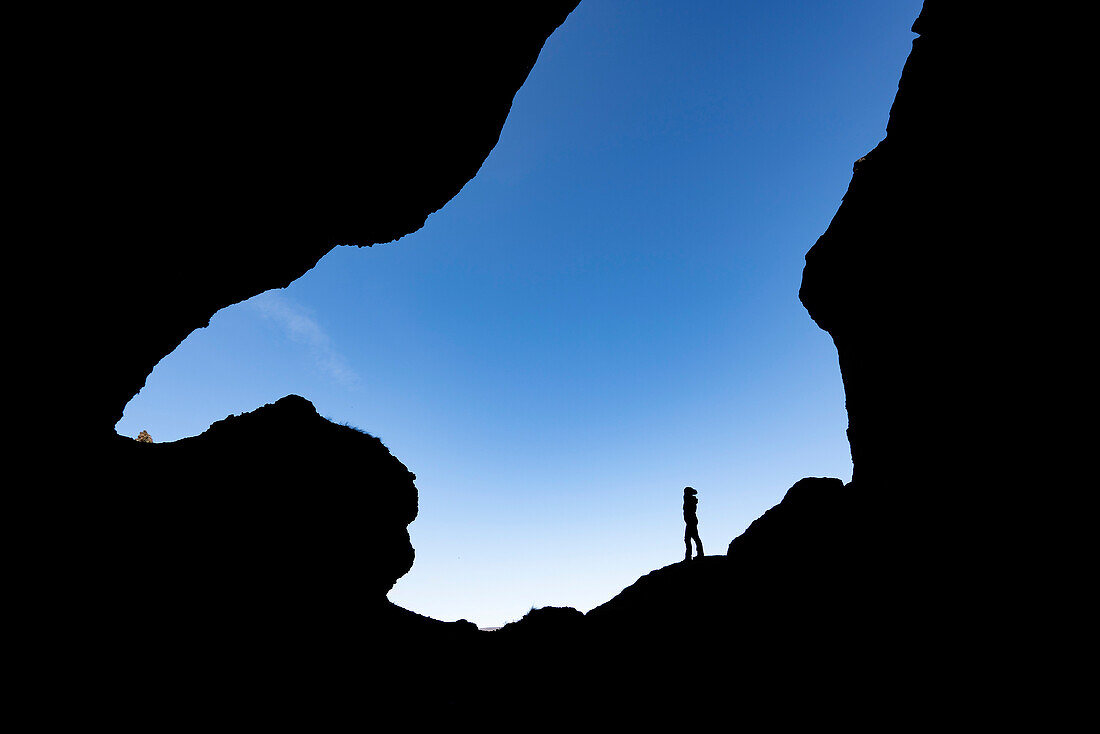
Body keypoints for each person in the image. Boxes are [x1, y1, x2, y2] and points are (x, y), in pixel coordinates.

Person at [683, 487, 704, 561]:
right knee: (691, 538)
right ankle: (695, 555)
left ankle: (692, 556)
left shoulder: (690, 500)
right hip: (690, 521)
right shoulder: (688, 499)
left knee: (691, 538)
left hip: (691, 521)